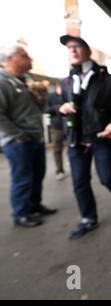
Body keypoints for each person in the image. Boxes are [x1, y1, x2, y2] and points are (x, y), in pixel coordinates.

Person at [58, 34, 111, 239]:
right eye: (69, 48)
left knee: (106, 176)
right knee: (80, 182)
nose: (72, 50)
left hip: (101, 137)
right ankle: (88, 218)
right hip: (76, 140)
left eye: (76, 46)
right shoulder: (66, 81)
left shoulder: (105, 79)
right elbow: (57, 105)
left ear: (88, 51)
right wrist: (62, 107)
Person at [0, 43, 57, 227]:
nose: (30, 59)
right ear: (10, 60)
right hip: (18, 142)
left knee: (37, 174)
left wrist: (41, 99)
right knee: (22, 177)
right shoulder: (3, 82)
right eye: (24, 55)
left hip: (34, 137)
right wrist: (18, 135)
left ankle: (34, 205)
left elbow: (37, 110)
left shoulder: (25, 81)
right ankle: (20, 213)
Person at [46, 81, 66, 180]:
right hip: (57, 126)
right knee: (57, 149)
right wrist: (58, 108)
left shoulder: (68, 94)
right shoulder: (51, 96)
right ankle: (59, 170)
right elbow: (45, 108)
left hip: (70, 125)